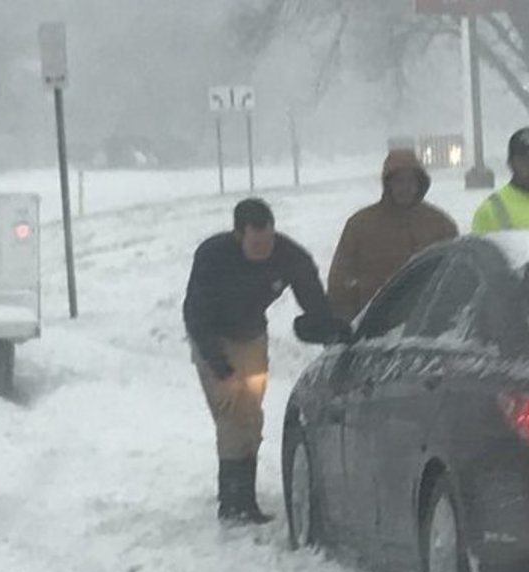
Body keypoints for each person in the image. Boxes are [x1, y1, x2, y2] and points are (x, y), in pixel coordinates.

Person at [183, 198, 347, 524]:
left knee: (251, 415)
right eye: (256, 243)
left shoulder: (290, 256)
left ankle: (243, 490)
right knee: (233, 413)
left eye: (268, 240)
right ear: (238, 235)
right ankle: (234, 502)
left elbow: (314, 301)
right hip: (212, 338)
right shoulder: (212, 257)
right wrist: (222, 370)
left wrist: (332, 331)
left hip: (252, 337)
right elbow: (196, 315)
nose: (263, 249)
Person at [327, 149, 459, 322]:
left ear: (420, 183)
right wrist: (342, 326)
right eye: (399, 181)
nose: (405, 187)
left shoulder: (440, 225)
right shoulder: (360, 225)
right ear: (387, 183)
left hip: (429, 327)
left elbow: (458, 277)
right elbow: (340, 284)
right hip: (373, 327)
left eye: (411, 181)